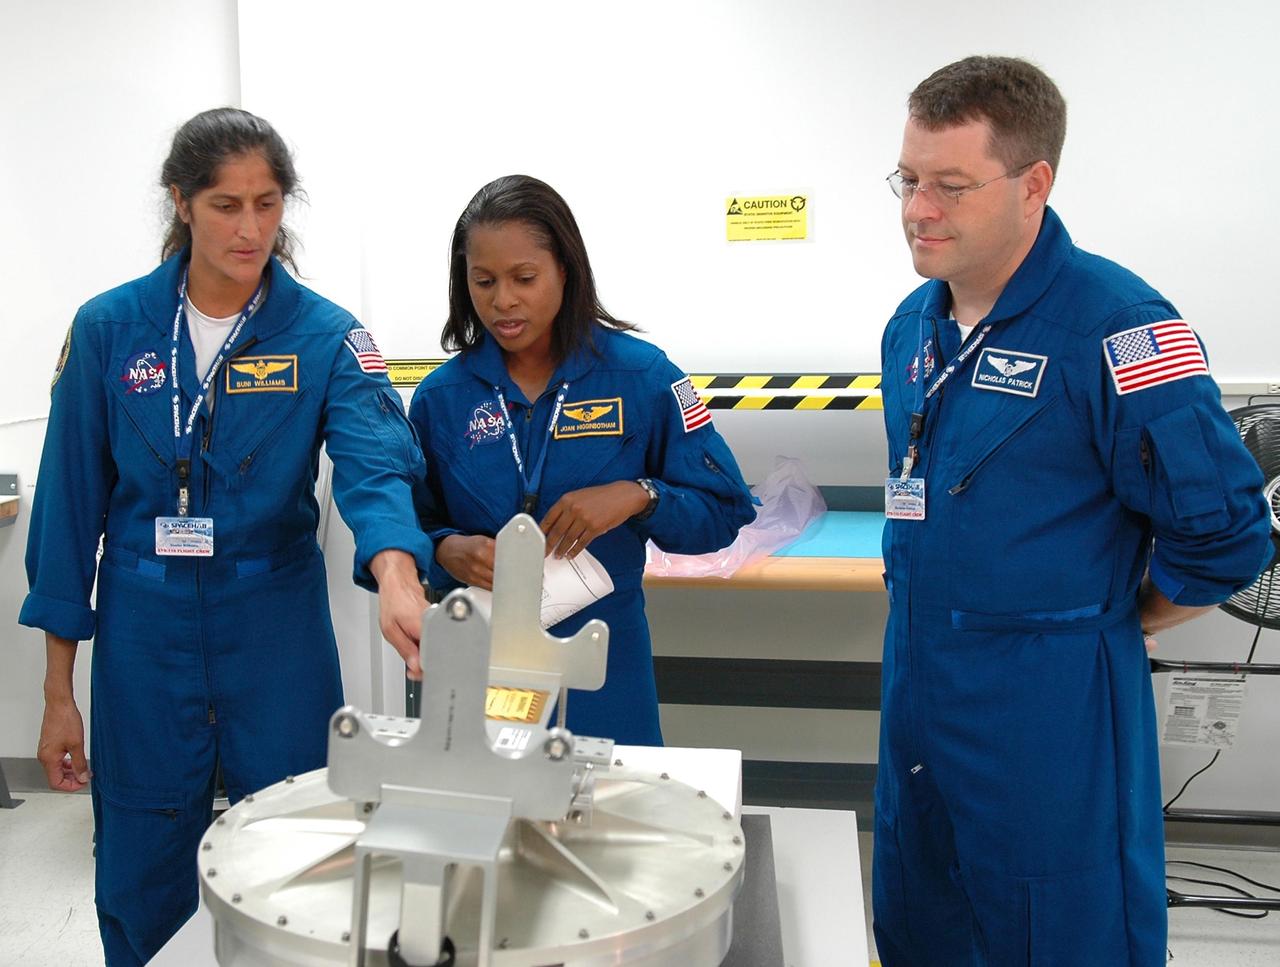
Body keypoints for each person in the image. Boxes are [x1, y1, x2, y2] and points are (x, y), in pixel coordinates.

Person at [874, 57, 1271, 966]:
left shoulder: (1120, 326)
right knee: (920, 908)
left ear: (1033, 185)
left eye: (950, 185)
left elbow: (1229, 534)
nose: (917, 209)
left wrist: (1131, 617)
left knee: (1057, 925)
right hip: (919, 685)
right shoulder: (911, 326)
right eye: (907, 179)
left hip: (1050, 706)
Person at [20, 108, 433, 966]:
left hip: (272, 620)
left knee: (297, 839)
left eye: (268, 203)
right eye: (225, 205)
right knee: (140, 845)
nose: (251, 229)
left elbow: (372, 465)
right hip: (144, 621)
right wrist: (60, 692)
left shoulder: (324, 337)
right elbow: (67, 518)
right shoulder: (108, 330)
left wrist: (397, 569)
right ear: (180, 201)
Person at [408, 174, 755, 747]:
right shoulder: (443, 399)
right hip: (483, 657)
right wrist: (445, 547)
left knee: (611, 815)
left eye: (524, 278)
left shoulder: (643, 378)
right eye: (483, 281)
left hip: (604, 661)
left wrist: (640, 495)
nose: (503, 301)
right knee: (487, 816)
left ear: (565, 271)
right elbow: (410, 527)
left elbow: (724, 511)